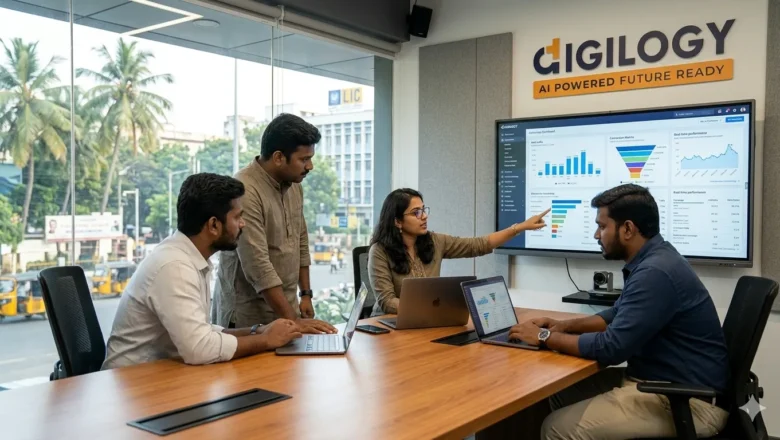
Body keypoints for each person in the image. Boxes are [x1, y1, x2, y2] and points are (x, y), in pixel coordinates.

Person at [508, 184, 729, 439]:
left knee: (555, 428)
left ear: (627, 229)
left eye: (602, 227)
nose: (596, 235)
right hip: (665, 384)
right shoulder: (655, 259)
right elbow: (616, 314)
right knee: (555, 392)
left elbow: (611, 348)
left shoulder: (655, 273)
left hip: (689, 403)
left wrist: (544, 338)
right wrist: (563, 325)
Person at [103, 173, 304, 370]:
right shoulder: (174, 267)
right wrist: (266, 340)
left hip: (158, 376)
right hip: (131, 385)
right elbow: (199, 349)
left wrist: (257, 331)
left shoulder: (187, 257)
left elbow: (203, 332)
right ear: (214, 225)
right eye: (237, 217)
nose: (243, 224)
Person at [214, 114, 336, 334]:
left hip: (286, 311)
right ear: (279, 157)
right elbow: (258, 266)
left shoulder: (294, 184)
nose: (311, 166)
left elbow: (301, 240)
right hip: (249, 318)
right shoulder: (245, 189)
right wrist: (293, 321)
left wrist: (305, 294)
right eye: (304, 159)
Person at [368, 188, 549, 316]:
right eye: (416, 213)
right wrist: (431, 309)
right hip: (387, 325)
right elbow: (387, 301)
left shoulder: (434, 241)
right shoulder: (379, 251)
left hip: (426, 321)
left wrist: (519, 228)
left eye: (423, 210)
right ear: (397, 221)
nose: (424, 216)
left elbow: (478, 245)